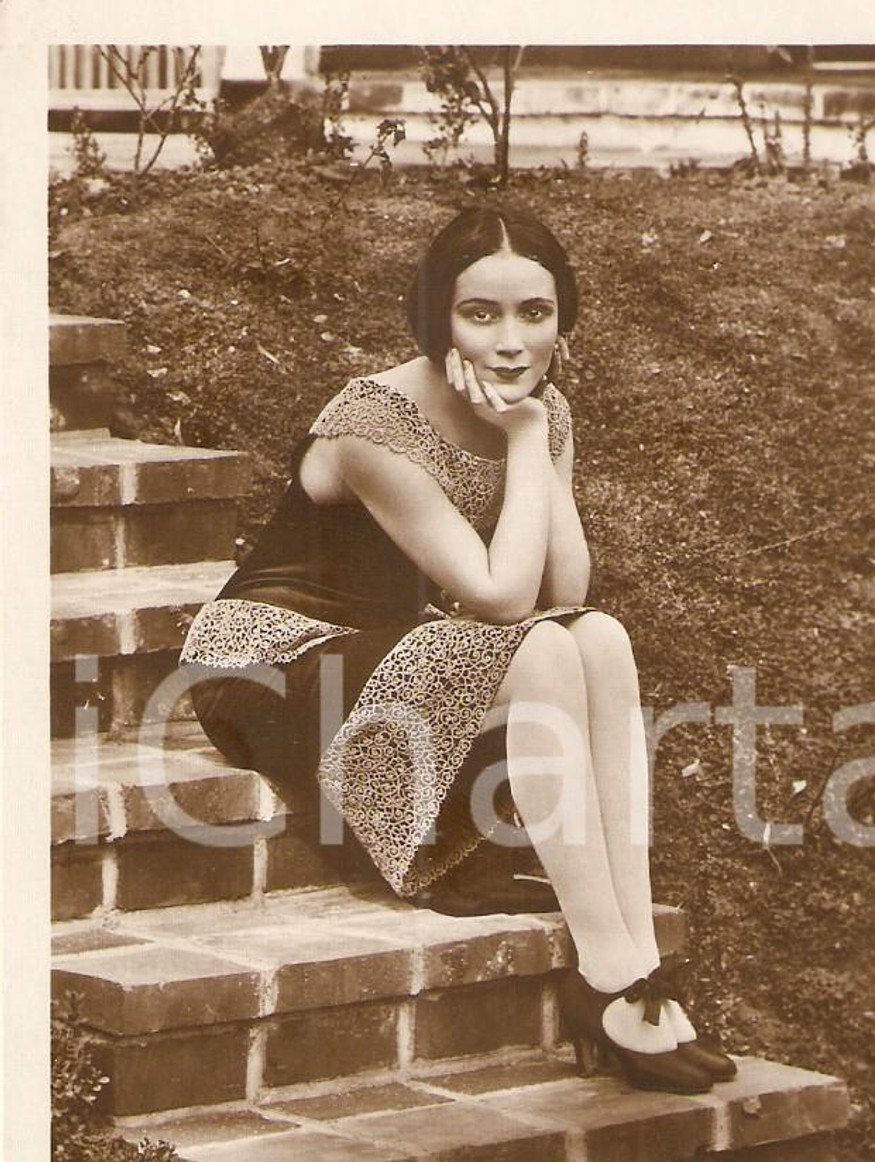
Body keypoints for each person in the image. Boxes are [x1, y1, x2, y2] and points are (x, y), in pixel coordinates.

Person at [180, 203, 736, 1094]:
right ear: (439, 314)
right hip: (268, 659)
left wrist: (539, 435)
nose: (512, 341)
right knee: (546, 652)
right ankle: (609, 977)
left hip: (391, 647)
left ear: (564, 317)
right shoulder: (371, 422)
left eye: (535, 313)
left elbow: (568, 592)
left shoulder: (543, 408)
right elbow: (502, 598)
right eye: (481, 314)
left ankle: (641, 962)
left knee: (601, 638)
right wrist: (523, 440)